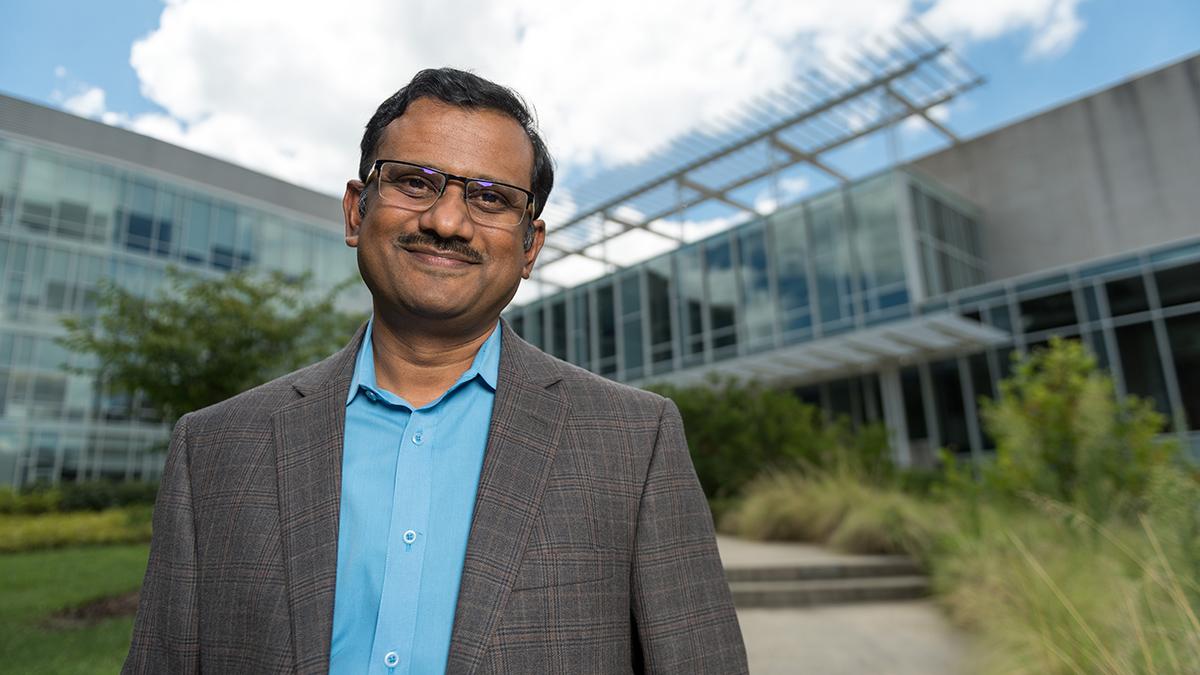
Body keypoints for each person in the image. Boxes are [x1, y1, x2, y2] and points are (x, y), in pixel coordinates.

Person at [123, 68, 747, 674]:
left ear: (530, 246)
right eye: (415, 183)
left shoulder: (635, 441)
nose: (446, 223)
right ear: (354, 212)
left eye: (491, 198)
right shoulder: (214, 448)